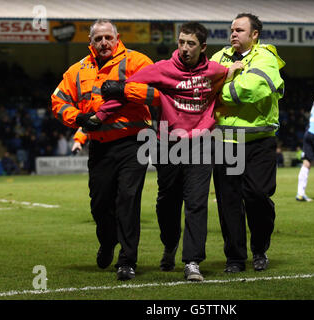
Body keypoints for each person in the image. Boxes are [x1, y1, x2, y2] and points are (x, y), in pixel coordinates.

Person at [95, 22, 243, 282]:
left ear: (203, 47)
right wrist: (99, 116)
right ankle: (169, 244)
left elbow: (226, 74)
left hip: (201, 142)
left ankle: (192, 262)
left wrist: (234, 69)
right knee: (167, 202)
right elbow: (127, 91)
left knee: (196, 202)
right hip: (167, 143)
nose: (184, 48)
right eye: (181, 42)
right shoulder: (162, 69)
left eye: (191, 44)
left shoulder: (213, 70)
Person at [51, 19, 156, 281]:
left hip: (134, 143)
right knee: (99, 204)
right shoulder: (77, 70)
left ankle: (127, 261)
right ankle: (108, 241)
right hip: (99, 146)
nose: (104, 43)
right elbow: (58, 100)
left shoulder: (137, 61)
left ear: (117, 37)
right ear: (90, 43)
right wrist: (78, 119)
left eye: (108, 37)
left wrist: (125, 90)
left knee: (128, 200)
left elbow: (156, 91)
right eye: (98, 39)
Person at [210, 13, 285, 273]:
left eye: (240, 30)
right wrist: (226, 78)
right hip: (225, 142)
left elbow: (252, 89)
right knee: (228, 202)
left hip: (258, 141)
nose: (233, 34)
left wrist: (223, 84)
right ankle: (235, 258)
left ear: (254, 34)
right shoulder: (218, 58)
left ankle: (260, 247)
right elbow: (202, 85)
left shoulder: (266, 57)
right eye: (232, 30)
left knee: (257, 196)